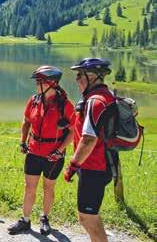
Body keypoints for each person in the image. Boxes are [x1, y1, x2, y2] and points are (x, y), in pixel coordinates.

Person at [8, 65, 75, 236]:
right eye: (37, 81)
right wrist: (23, 141)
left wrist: (60, 151)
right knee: (29, 187)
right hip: (33, 152)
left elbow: (73, 132)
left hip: (53, 155)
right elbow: (26, 122)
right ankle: (25, 220)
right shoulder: (34, 100)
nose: (37, 84)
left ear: (52, 83)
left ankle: (45, 218)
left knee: (48, 188)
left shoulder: (65, 106)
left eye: (40, 81)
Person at [64, 58, 116, 242]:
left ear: (92, 76)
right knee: (88, 216)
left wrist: (72, 165)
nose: (77, 80)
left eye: (80, 75)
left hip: (93, 167)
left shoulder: (96, 101)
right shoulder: (105, 95)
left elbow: (88, 139)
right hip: (99, 164)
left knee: (87, 218)